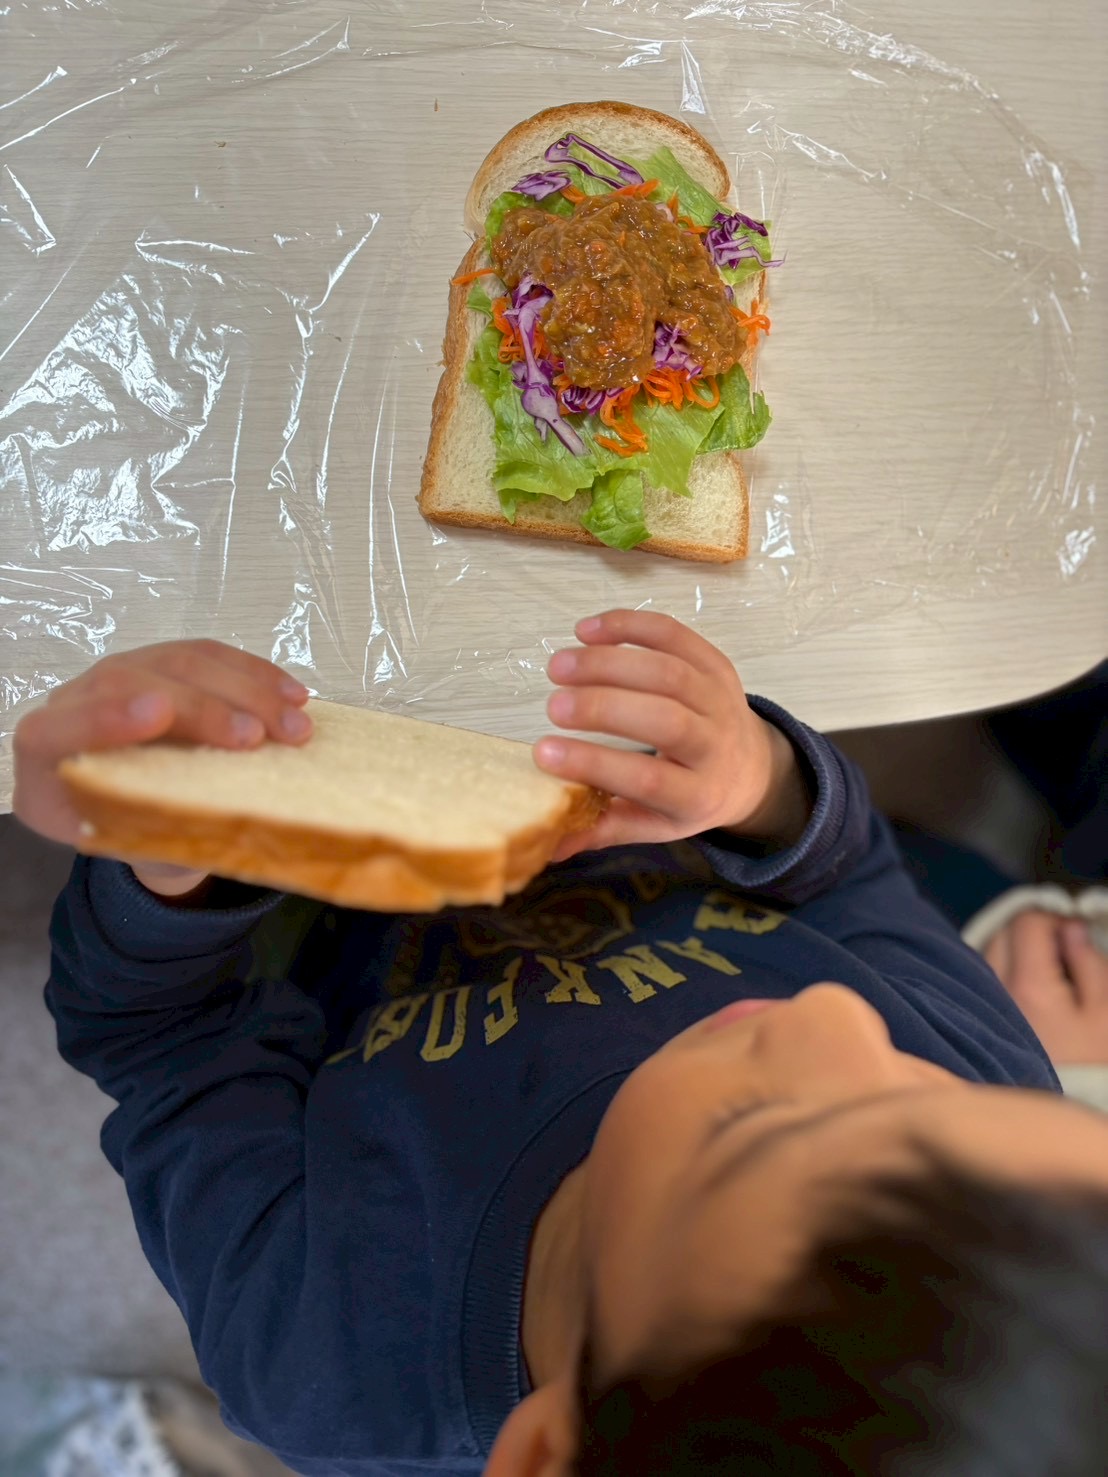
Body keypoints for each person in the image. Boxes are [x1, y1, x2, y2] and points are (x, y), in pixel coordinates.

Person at [14, 612, 1108, 1477]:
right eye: (928, 1083)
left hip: (312, 886)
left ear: (548, 1451)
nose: (837, 1018)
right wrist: (763, 784)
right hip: (637, 777)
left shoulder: (319, 1349)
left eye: (756, 1129)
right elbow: (852, 874)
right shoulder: (999, 1091)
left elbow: (160, 1036)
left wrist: (177, 851)